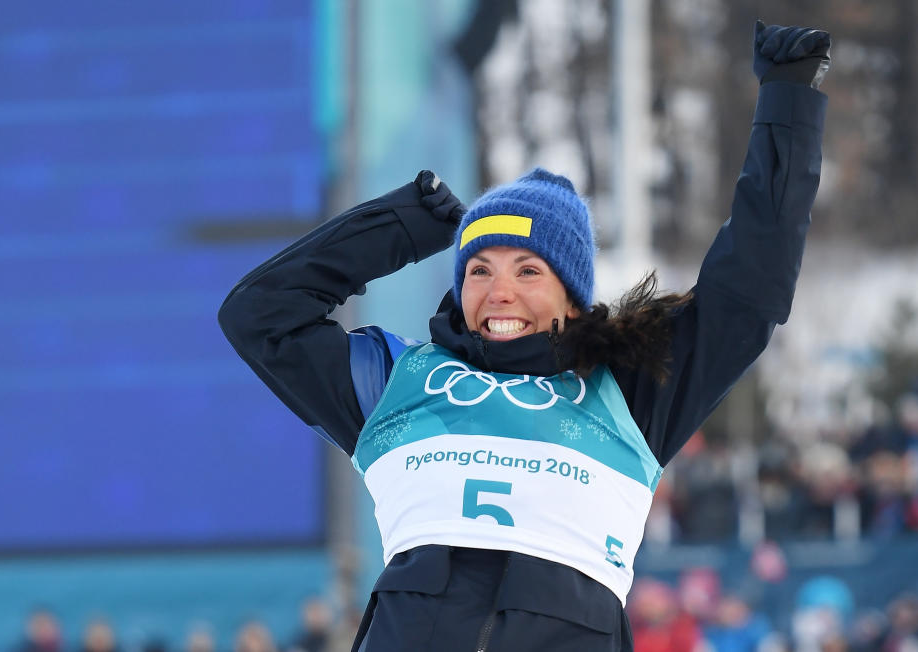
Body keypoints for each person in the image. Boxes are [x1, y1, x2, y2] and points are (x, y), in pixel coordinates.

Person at [219, 20, 830, 652]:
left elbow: (748, 291)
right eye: (478, 269)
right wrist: (409, 225)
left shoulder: (630, 391)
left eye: (528, 270)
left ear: (573, 297)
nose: (497, 292)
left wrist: (788, 104)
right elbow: (261, 315)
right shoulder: (393, 385)